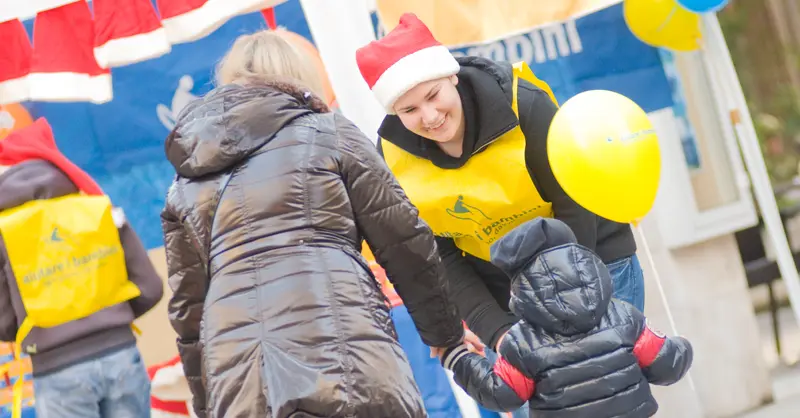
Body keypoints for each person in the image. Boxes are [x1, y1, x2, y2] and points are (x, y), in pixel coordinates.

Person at [161, 29, 465, 418]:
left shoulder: (184, 182)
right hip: (345, 355)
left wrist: (208, 403)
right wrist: (446, 336)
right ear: (301, 75)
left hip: (241, 383)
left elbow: (189, 309)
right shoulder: (329, 133)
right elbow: (404, 241)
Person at [356, 13, 645, 354]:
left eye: (433, 95)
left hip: (594, 258)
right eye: (410, 110)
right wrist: (497, 332)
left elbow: (572, 200)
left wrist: (565, 299)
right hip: (508, 296)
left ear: (451, 75)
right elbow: (439, 256)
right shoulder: (391, 159)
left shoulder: (525, 104)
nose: (430, 116)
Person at [440, 217, 693, 418]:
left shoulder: (522, 344)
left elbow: (501, 393)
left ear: (520, 286)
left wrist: (459, 358)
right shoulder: (623, 316)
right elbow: (666, 363)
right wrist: (682, 347)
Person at [0, 119, 164, 417]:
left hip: (56, 368)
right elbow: (150, 288)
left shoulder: (5, 233)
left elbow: (3, 324)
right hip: (121, 356)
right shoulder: (94, 206)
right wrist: (110, 318)